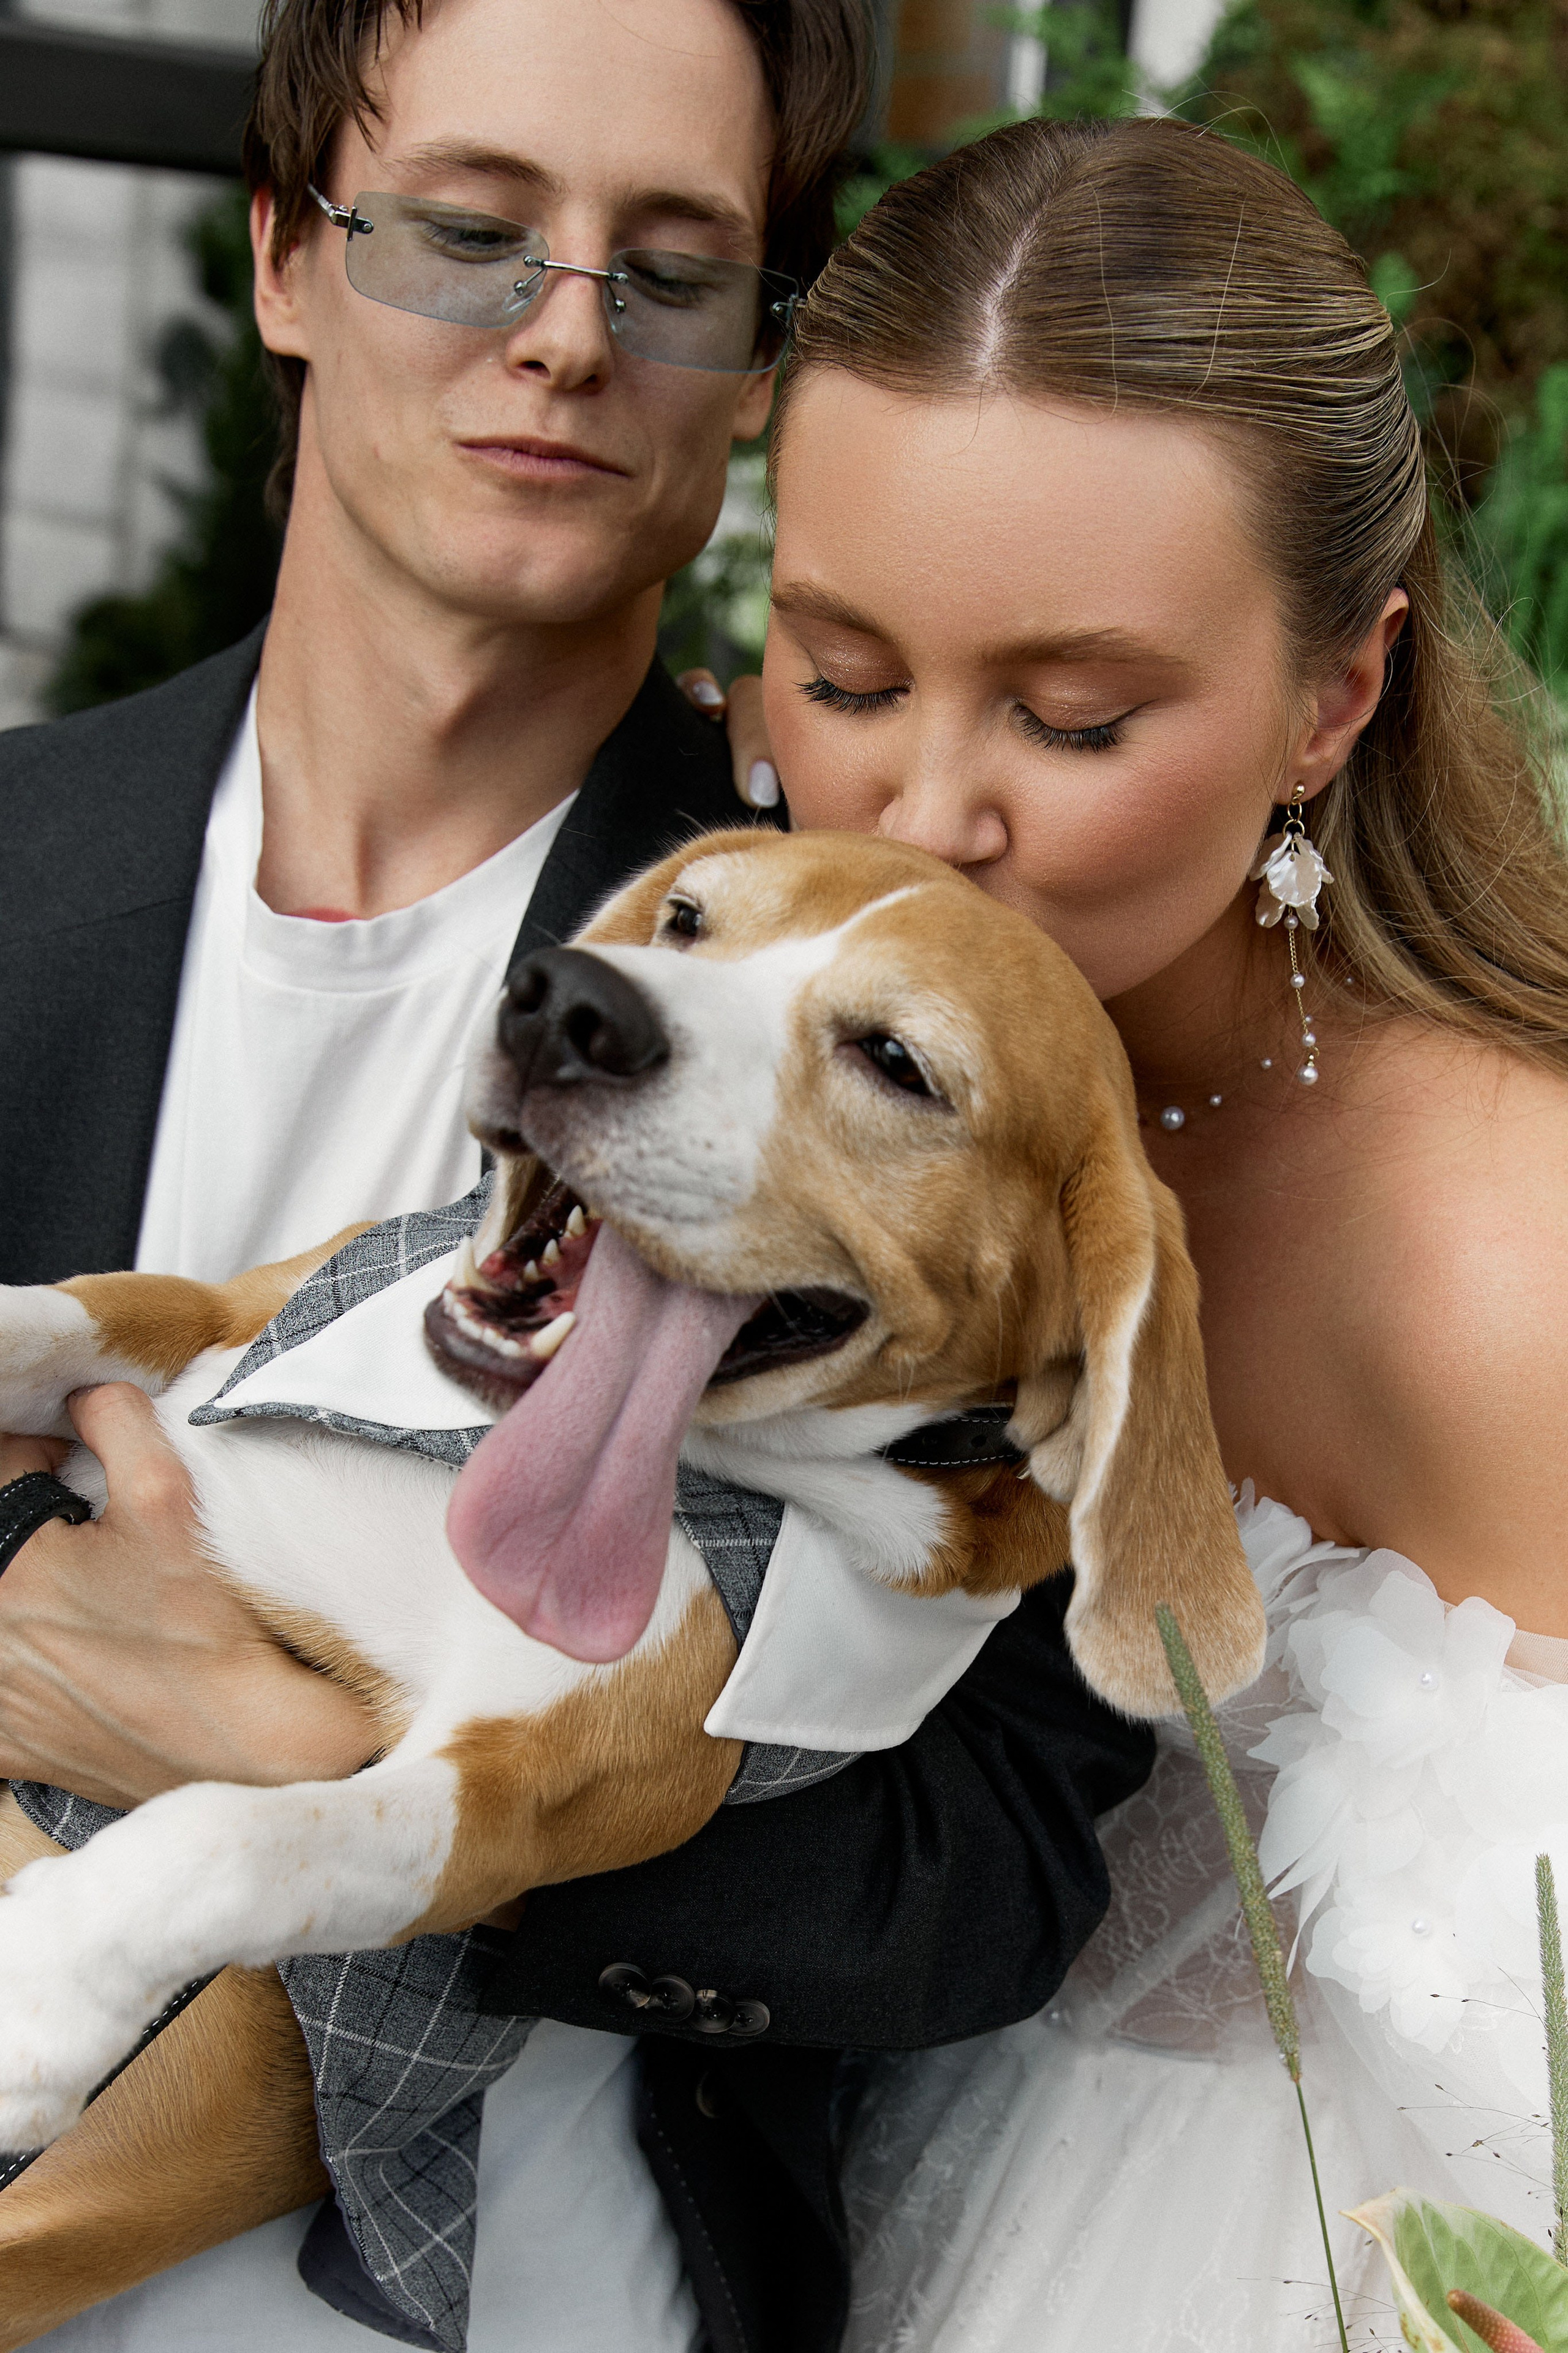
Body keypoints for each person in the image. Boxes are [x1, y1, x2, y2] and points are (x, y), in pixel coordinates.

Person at [0, 9, 1156, 2351]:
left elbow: (1001, 1862)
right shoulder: (14, 864)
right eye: (468, 230)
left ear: (756, 370)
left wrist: (333, 1773)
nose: (558, 332)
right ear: (286, 259)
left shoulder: (900, 1007)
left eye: (671, 268)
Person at [745, 111, 1568, 2347]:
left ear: (1335, 695)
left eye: (1072, 713)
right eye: (838, 675)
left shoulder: (1505, 1276)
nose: (923, 815)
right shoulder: (754, 1047)